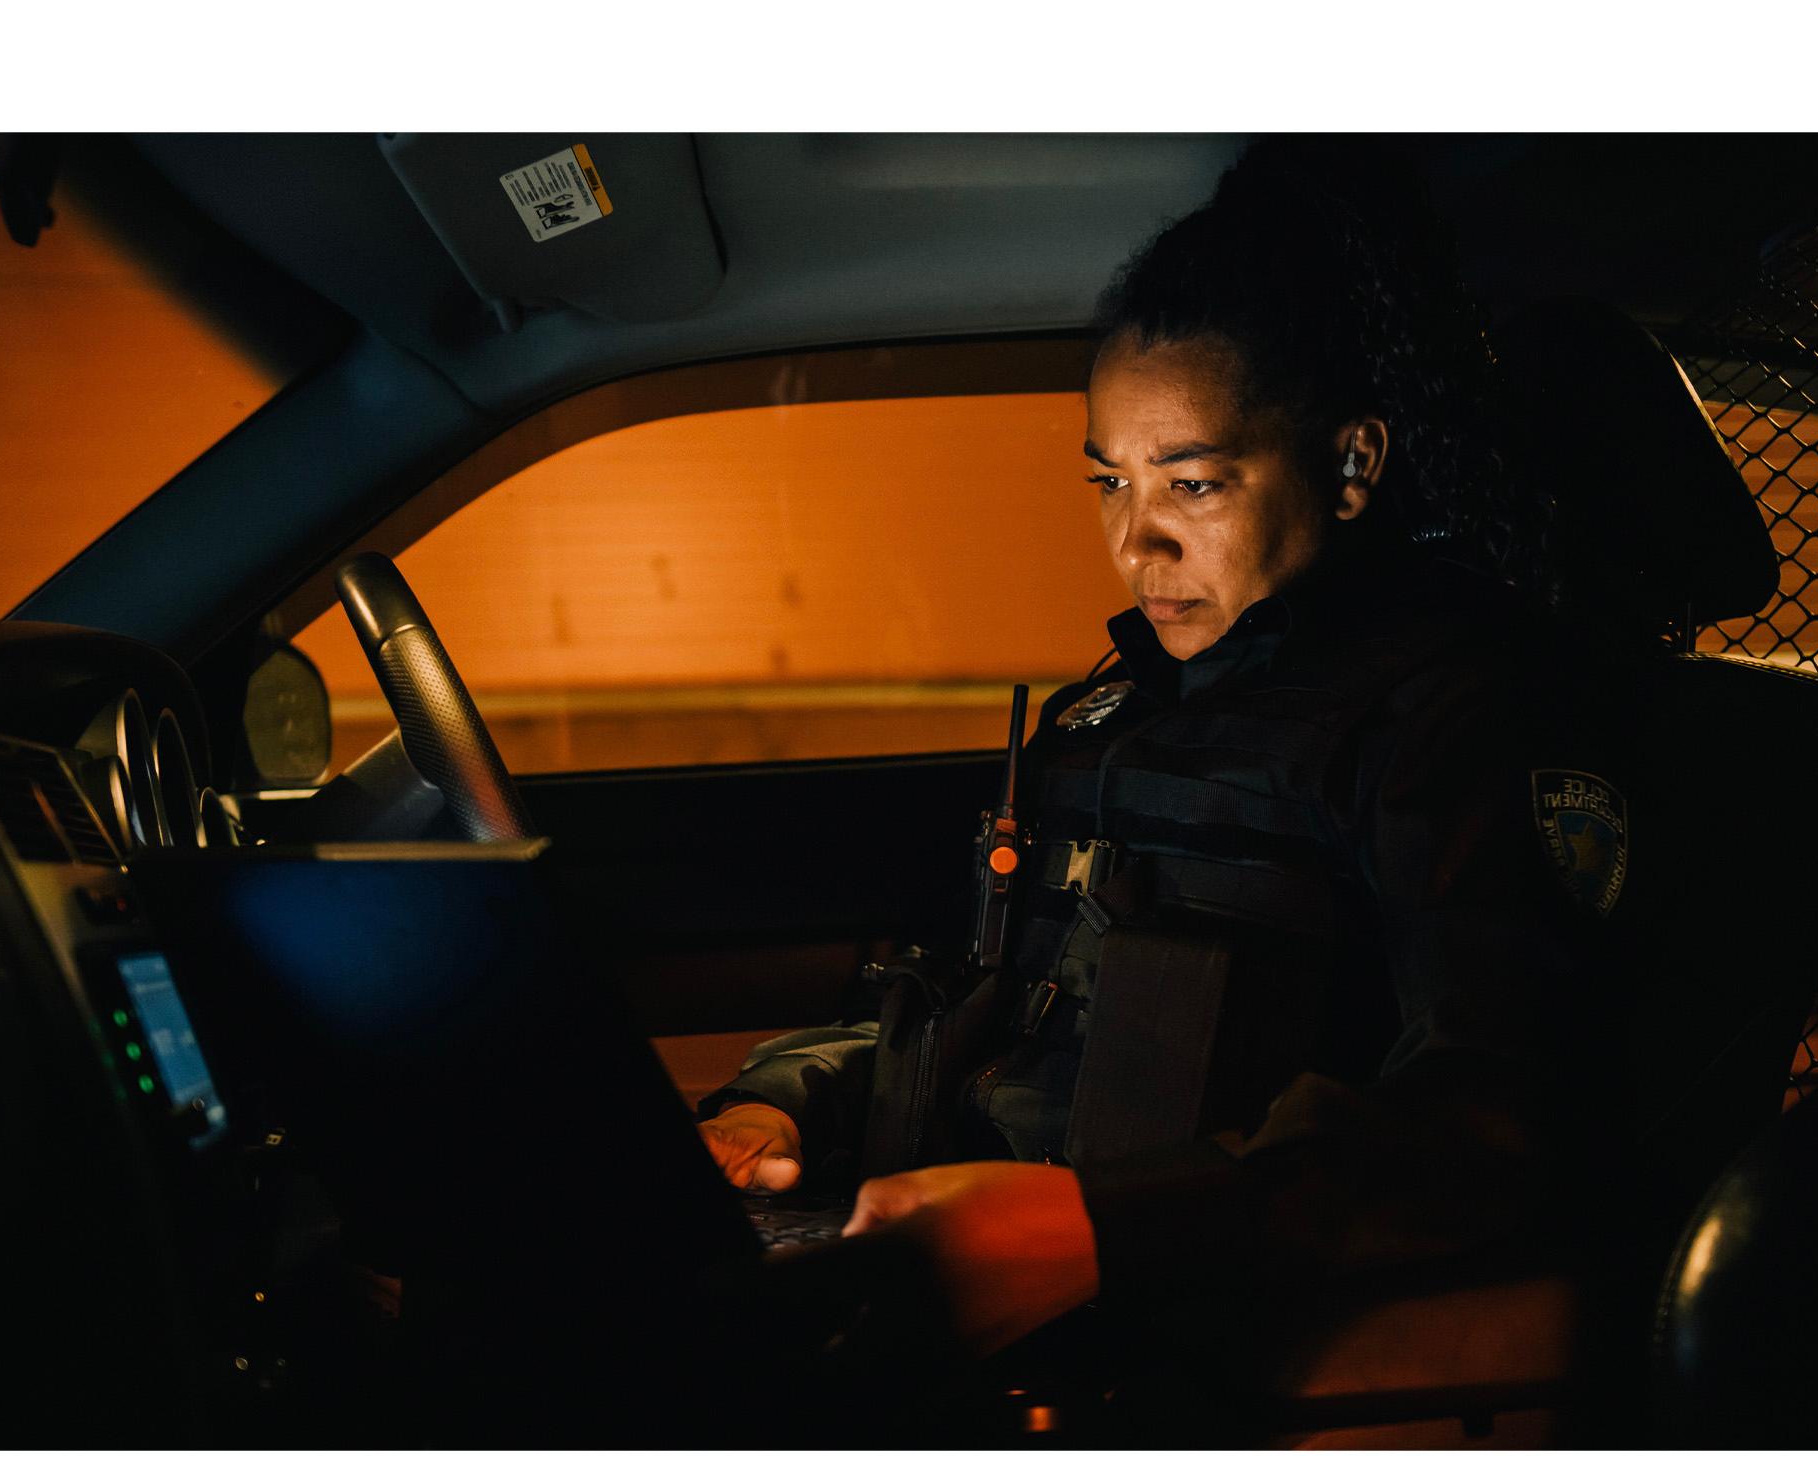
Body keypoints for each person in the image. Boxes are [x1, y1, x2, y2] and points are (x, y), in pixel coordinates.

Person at [696, 141, 1634, 1377]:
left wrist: (1099, 1231)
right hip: (971, 1268)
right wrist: (780, 1102)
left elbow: (1485, 1117)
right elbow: (975, 996)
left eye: (1191, 483)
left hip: (1183, 1327)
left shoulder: (1439, 719)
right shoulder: (1113, 716)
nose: (1136, 540)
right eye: (1108, 482)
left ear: (1348, 464)